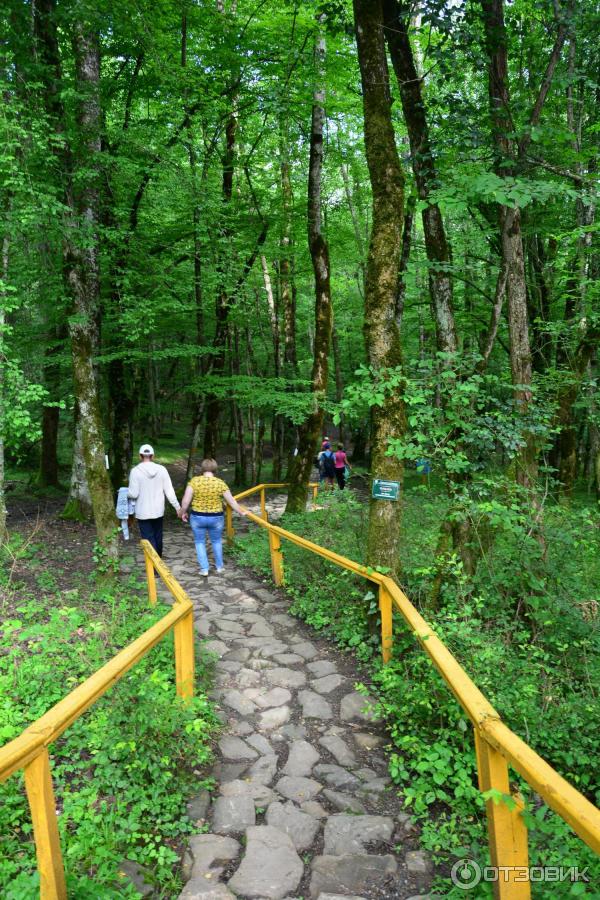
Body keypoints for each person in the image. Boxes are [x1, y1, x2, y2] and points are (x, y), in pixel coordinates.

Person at [180, 458, 247, 576]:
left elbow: (186, 501)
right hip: (216, 518)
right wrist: (241, 512)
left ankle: (204, 569)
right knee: (216, 541)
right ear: (215, 469)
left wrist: (182, 512)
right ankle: (220, 567)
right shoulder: (220, 483)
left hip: (197, 517)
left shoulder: (194, 481)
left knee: (199, 542)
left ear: (202, 469)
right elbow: (231, 501)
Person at [128, 444, 181, 556]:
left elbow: (133, 493)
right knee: (158, 535)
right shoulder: (162, 470)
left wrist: (124, 492)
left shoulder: (135, 471)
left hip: (143, 511)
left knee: (148, 538)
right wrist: (178, 508)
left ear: (140, 456)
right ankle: (159, 560)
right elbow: (169, 491)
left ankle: (155, 567)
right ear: (153, 456)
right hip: (158, 510)